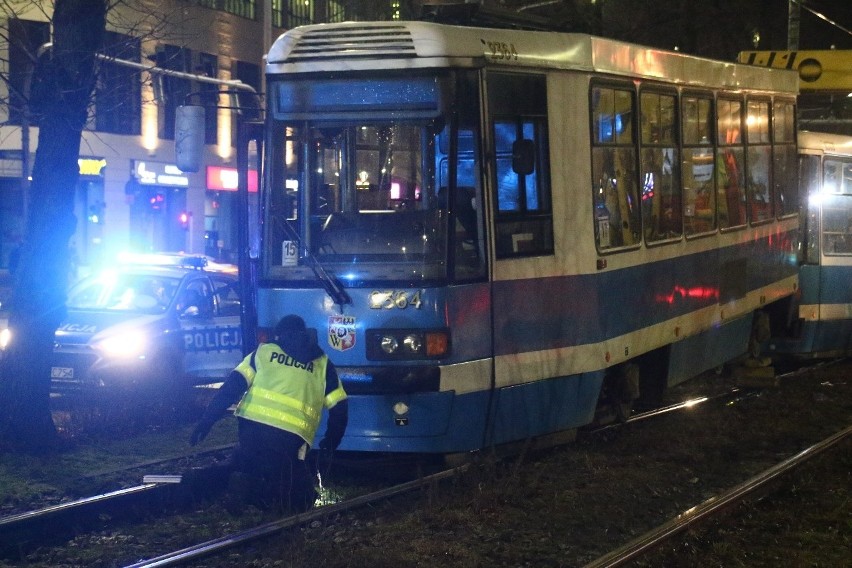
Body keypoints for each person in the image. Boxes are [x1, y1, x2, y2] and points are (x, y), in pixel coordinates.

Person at [190, 314, 348, 513]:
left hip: (251, 432)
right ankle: (257, 492)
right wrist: (330, 442)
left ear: (279, 335)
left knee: (249, 463)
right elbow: (339, 407)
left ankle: (222, 484)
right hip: (291, 440)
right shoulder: (323, 365)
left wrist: (207, 421)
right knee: (301, 500)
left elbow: (231, 388)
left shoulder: (263, 353)